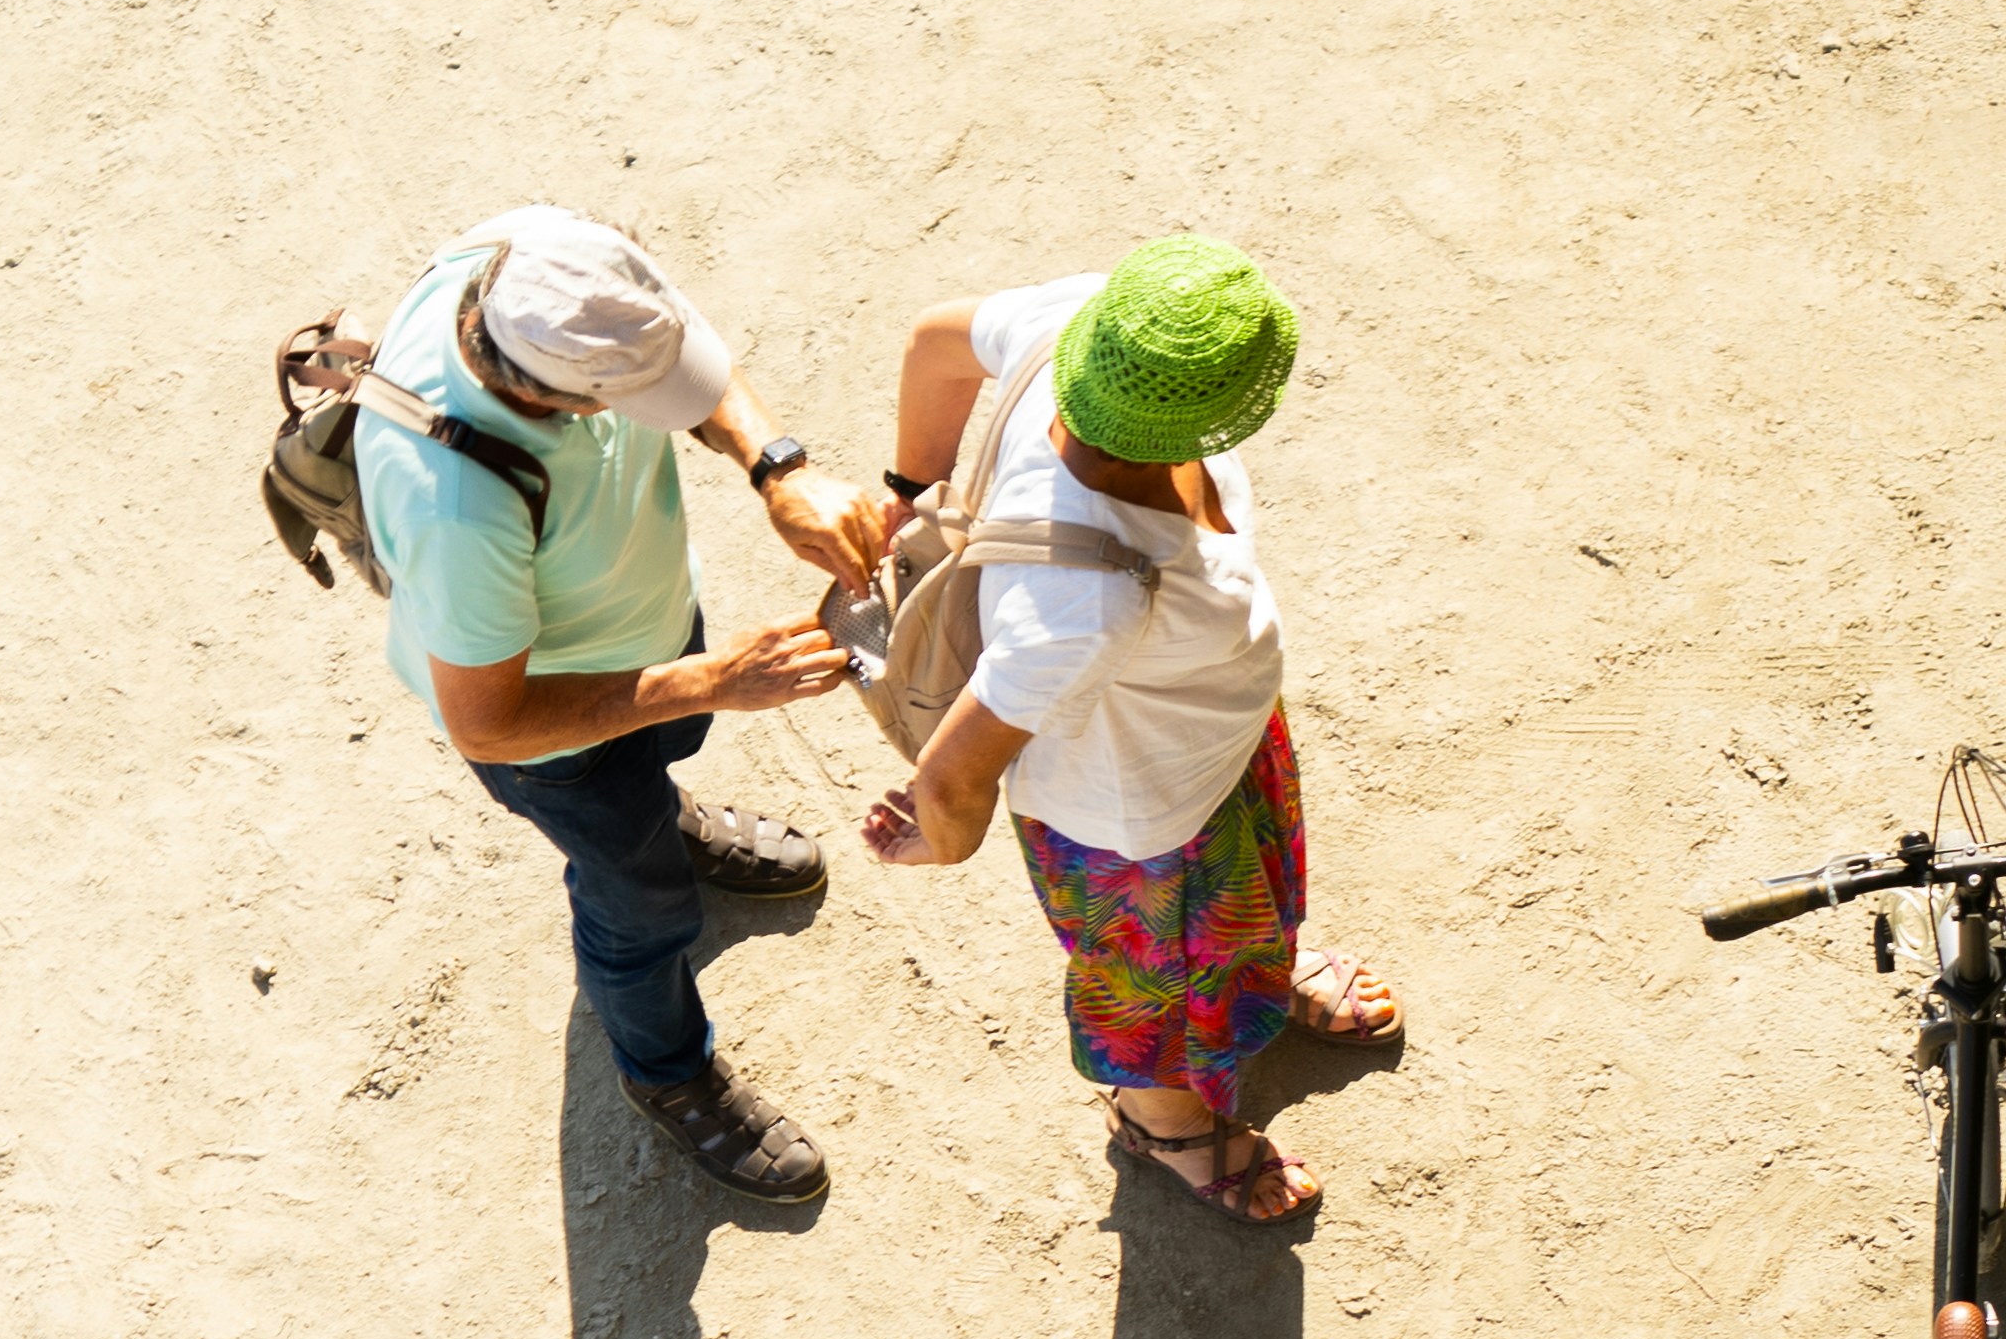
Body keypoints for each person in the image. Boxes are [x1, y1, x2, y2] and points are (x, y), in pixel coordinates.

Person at [860, 237, 1398, 1229]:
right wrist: (940, 842)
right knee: (1143, 983)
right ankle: (1159, 1122)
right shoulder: (1082, 601)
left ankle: (1260, 975)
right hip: (1129, 818)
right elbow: (954, 776)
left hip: (1199, 746)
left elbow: (935, 343)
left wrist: (906, 490)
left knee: (1239, 902)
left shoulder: (1090, 330)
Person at [358, 207, 890, 1208]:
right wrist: (716, 683)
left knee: (664, 753)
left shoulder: (543, 262)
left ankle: (666, 812)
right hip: (553, 733)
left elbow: (696, 370)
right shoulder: (455, 504)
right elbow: (489, 722)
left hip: (635, 620)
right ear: (541, 394)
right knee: (638, 904)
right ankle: (666, 1074)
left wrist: (778, 466)